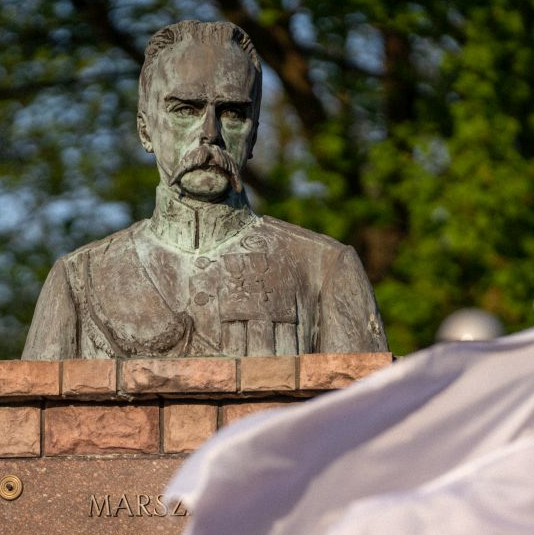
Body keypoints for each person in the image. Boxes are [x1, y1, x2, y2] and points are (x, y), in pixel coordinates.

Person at [22, 20, 386, 359]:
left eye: (232, 113)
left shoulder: (323, 269)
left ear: (254, 133)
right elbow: (27, 420)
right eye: (185, 109)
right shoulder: (79, 279)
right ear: (145, 130)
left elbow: (370, 416)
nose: (210, 133)